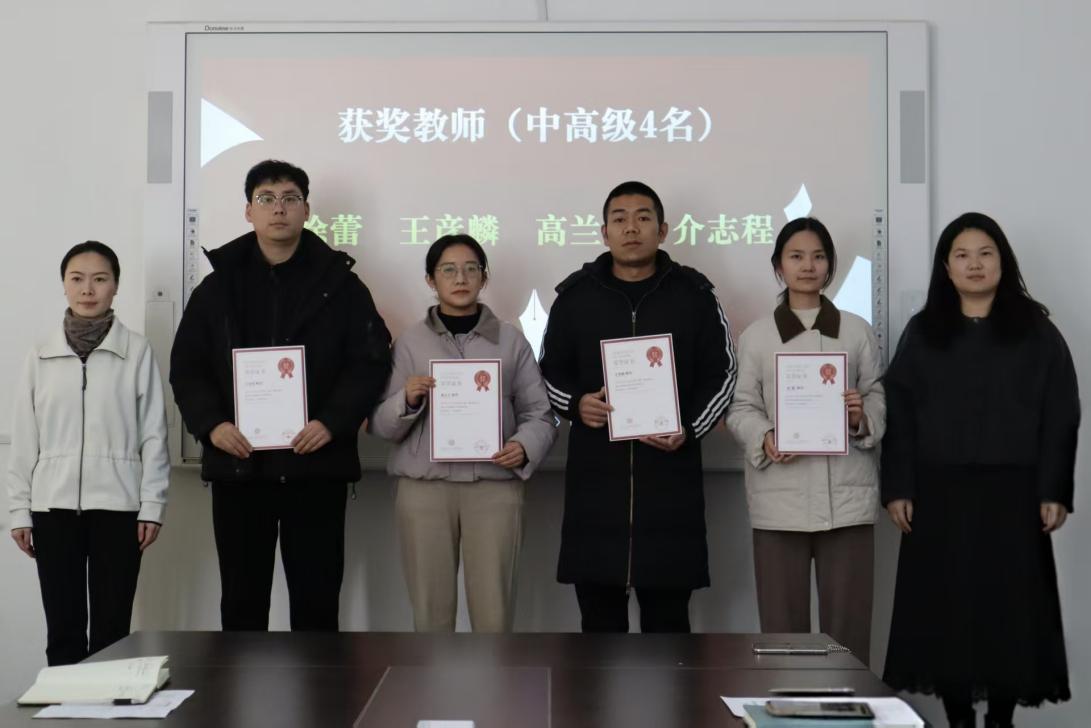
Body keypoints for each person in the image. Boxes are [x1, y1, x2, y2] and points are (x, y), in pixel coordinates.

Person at [169, 160, 391, 632]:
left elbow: (370, 361)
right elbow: (187, 367)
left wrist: (332, 422)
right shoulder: (217, 288)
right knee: (242, 605)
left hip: (316, 467)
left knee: (317, 606)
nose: (279, 209)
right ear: (248, 211)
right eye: (266, 199)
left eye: (291, 198)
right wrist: (212, 425)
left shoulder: (342, 286)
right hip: (239, 467)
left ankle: (320, 688)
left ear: (307, 210)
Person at [881, 212, 1077, 728]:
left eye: (985, 253)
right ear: (946, 267)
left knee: (1010, 613)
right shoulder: (924, 332)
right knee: (946, 614)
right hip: (938, 497)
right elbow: (899, 415)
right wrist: (898, 487)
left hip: (1014, 497)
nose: (974, 264)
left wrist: (1053, 490)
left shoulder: (1036, 331)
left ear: (1002, 262)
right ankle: (959, 719)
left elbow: (1061, 413)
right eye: (962, 255)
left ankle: (1001, 720)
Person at [538, 181, 737, 633]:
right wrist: (576, 404)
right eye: (620, 219)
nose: (632, 228)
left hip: (670, 492)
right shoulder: (574, 297)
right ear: (604, 232)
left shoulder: (694, 294)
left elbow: (724, 374)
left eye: (643, 218)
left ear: (662, 230)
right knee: (598, 636)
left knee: (669, 635)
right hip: (596, 493)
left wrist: (689, 427)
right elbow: (546, 372)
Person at [369, 234, 556, 632]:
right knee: (430, 613)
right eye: (449, 270)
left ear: (483, 278)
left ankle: (495, 676)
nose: (461, 278)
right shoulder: (410, 343)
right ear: (430, 279)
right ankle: (433, 677)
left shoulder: (511, 340)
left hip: (494, 487)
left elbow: (540, 413)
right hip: (424, 490)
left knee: (494, 613)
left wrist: (524, 446)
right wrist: (408, 399)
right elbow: (380, 424)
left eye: (471, 269)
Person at [725, 217, 885, 662]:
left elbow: (876, 395)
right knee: (783, 637)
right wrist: (765, 436)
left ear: (830, 265)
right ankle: (787, 702)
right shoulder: (758, 336)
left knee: (849, 636)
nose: (808, 266)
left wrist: (861, 417)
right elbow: (741, 407)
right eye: (796, 256)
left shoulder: (855, 330)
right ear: (779, 266)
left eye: (818, 257)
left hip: (848, 503)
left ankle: (850, 703)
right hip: (780, 503)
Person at [7, 241, 170, 665]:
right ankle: (66, 703)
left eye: (100, 279)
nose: (88, 289)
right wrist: (19, 510)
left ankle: (110, 704)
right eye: (77, 279)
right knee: (62, 631)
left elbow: (154, 434)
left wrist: (152, 505)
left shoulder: (136, 351)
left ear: (115, 286)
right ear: (63, 285)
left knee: (112, 633)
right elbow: (25, 437)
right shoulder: (40, 353)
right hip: (52, 508)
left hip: (119, 507)